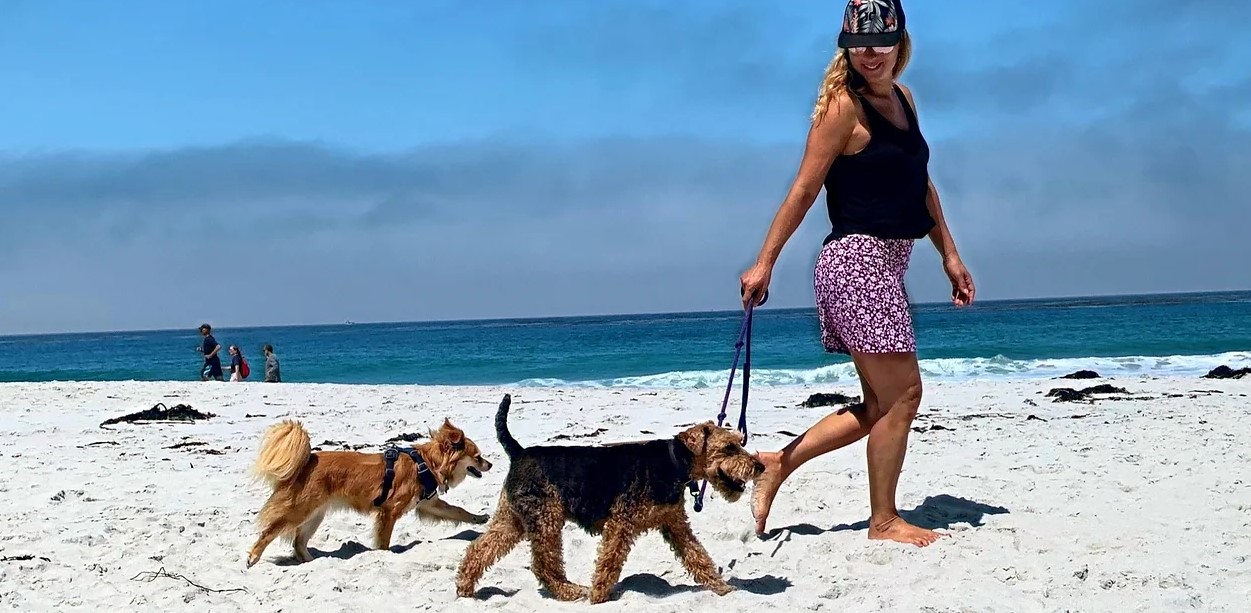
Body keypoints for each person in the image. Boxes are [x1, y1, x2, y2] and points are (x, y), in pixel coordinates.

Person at [738, 0, 975, 547]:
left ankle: (777, 464)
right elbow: (802, 190)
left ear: (900, 43)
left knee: (878, 404)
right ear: (846, 46)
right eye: (859, 43)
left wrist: (950, 255)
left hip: (888, 265)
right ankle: (883, 520)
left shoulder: (905, 101)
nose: (871, 52)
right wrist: (765, 260)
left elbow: (921, 184)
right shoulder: (842, 109)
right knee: (904, 395)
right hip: (855, 265)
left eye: (881, 41)